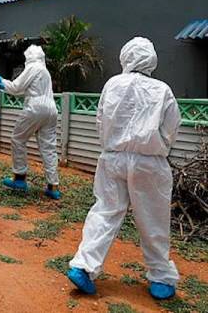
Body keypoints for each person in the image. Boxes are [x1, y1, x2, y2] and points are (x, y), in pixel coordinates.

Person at [68, 37, 180, 300]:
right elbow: (172, 126)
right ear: (151, 59)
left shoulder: (112, 85)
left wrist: (113, 146)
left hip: (112, 158)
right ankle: (161, 278)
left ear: (125, 57)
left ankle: (83, 266)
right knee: (153, 219)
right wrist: (157, 146)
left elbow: (100, 120)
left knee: (105, 211)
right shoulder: (162, 89)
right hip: (149, 161)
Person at [0, 44, 60, 199]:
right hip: (51, 109)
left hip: (35, 108)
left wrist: (0, 80)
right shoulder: (45, 71)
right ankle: (53, 186)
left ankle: (20, 178)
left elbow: (16, 87)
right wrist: (4, 86)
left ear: (29, 57)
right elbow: (24, 89)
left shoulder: (33, 67)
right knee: (48, 148)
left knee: (18, 139)